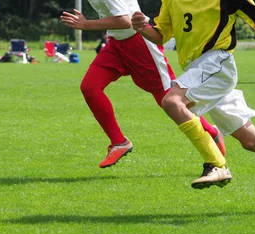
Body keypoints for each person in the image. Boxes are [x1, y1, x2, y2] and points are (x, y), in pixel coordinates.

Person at [131, 0, 255, 201]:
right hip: (200, 70)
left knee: (172, 102)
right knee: (251, 141)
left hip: (216, 62)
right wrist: (142, 28)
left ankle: (216, 165)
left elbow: (253, 16)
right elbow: (160, 35)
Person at [60, 0, 225, 168]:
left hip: (140, 42)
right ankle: (119, 142)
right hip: (117, 44)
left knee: (169, 100)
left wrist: (86, 24)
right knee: (90, 87)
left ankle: (211, 134)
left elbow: (125, 21)